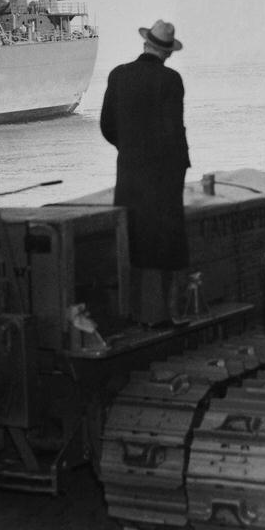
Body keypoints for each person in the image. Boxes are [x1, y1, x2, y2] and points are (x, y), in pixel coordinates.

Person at [100, 19, 191, 323]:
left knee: (132, 239)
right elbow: (174, 130)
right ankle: (168, 313)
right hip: (164, 175)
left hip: (129, 172)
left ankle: (133, 313)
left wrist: (130, 150)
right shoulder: (171, 80)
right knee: (166, 242)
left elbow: (107, 126)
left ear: (145, 43)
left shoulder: (118, 75)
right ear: (167, 52)